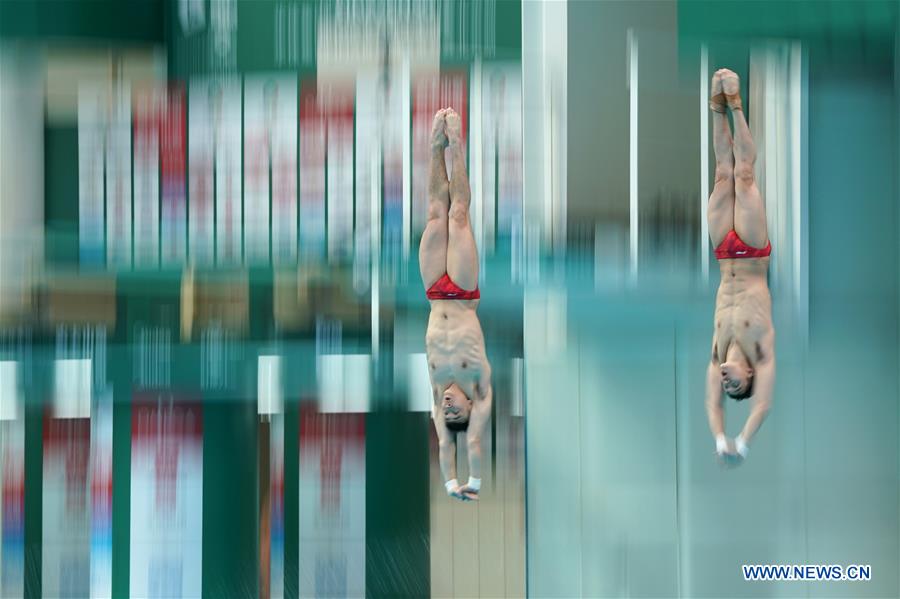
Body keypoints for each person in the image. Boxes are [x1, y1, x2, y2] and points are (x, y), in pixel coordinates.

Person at [420, 108, 493, 500]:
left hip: (434, 292)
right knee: (459, 215)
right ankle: (458, 146)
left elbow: (446, 445)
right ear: (470, 407)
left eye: (446, 413)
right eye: (455, 411)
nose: (448, 407)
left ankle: (435, 149)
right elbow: (471, 446)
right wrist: (473, 483)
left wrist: (449, 484)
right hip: (464, 295)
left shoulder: (435, 395)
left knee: (435, 215)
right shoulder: (478, 389)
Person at [705, 69, 775, 468]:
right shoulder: (761, 351)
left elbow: (711, 402)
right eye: (737, 387)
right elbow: (763, 403)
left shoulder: (716, 356)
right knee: (745, 176)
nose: (728, 384)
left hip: (722, 253)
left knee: (722, 172)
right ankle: (736, 104)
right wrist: (741, 442)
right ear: (749, 374)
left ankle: (716, 108)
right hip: (750, 253)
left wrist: (719, 438)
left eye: (726, 387)